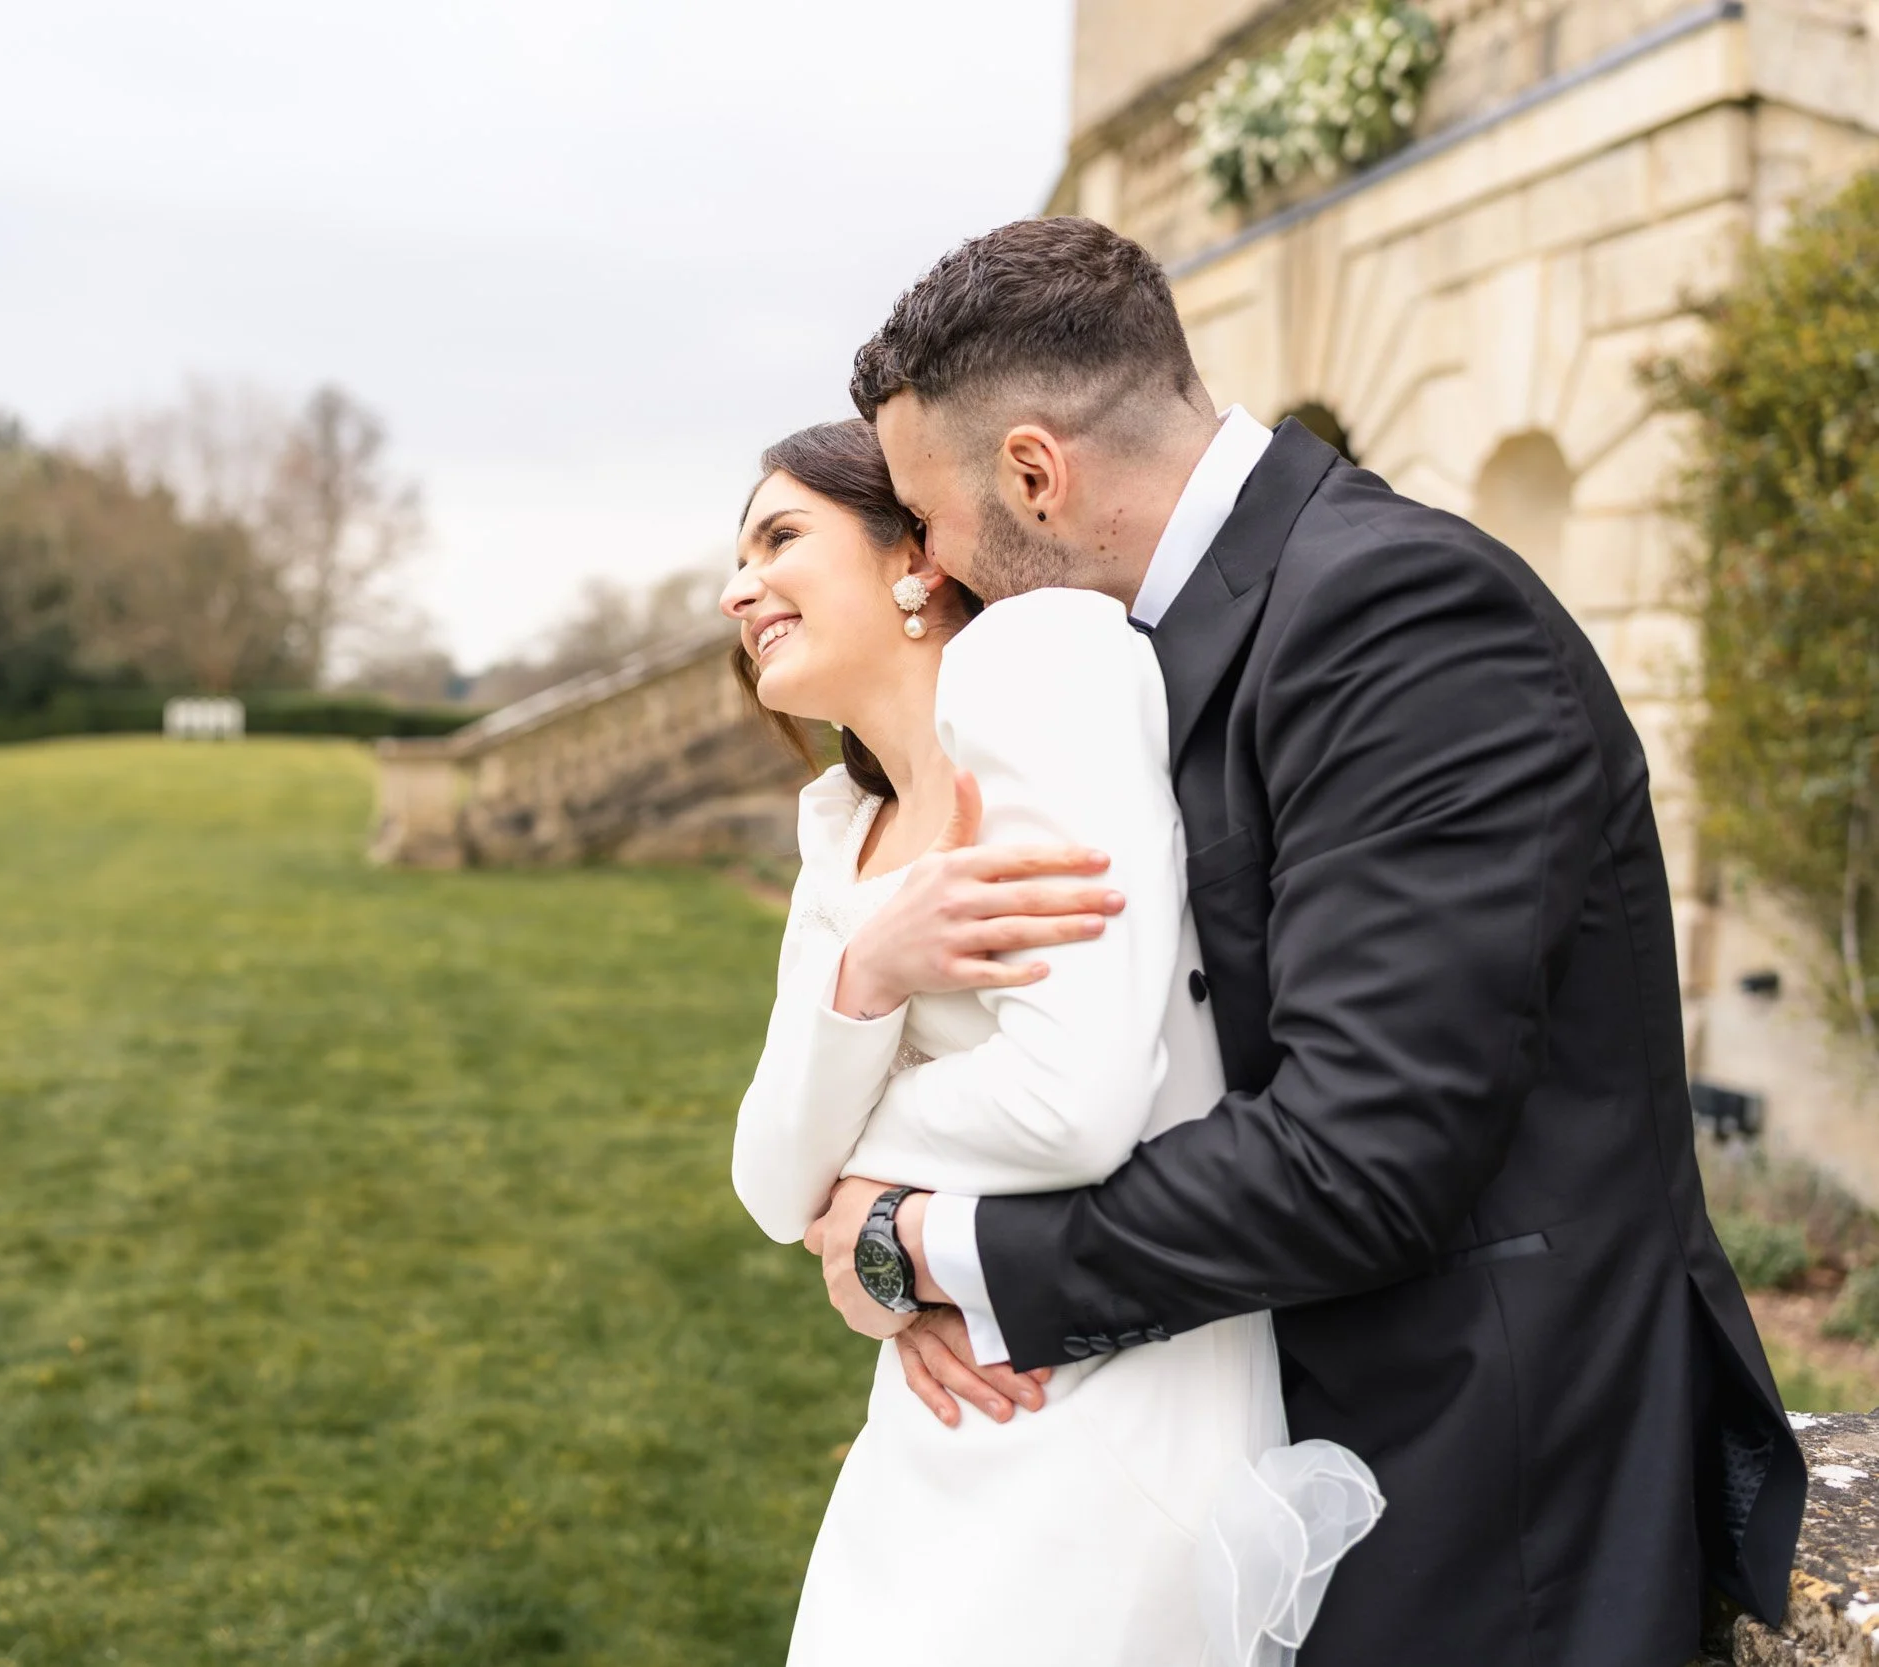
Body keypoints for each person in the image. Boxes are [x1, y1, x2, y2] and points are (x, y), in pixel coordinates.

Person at [783, 216, 1804, 1667]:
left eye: (928, 528)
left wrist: (940, 1242)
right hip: (1279, 1429)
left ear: (1032, 472)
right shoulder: (1172, 641)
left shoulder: (1404, 618)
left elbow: (1360, 1153)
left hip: (1477, 1485)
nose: (925, 581)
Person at [723, 417, 1379, 1666]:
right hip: (933, 1429)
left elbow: (1074, 1106)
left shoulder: (1039, 664)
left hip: (1106, 1420)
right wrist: (865, 972)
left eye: (778, 535)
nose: (734, 586)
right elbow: (764, 1183)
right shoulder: (841, 823)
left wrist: (864, 1205)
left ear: (912, 555)